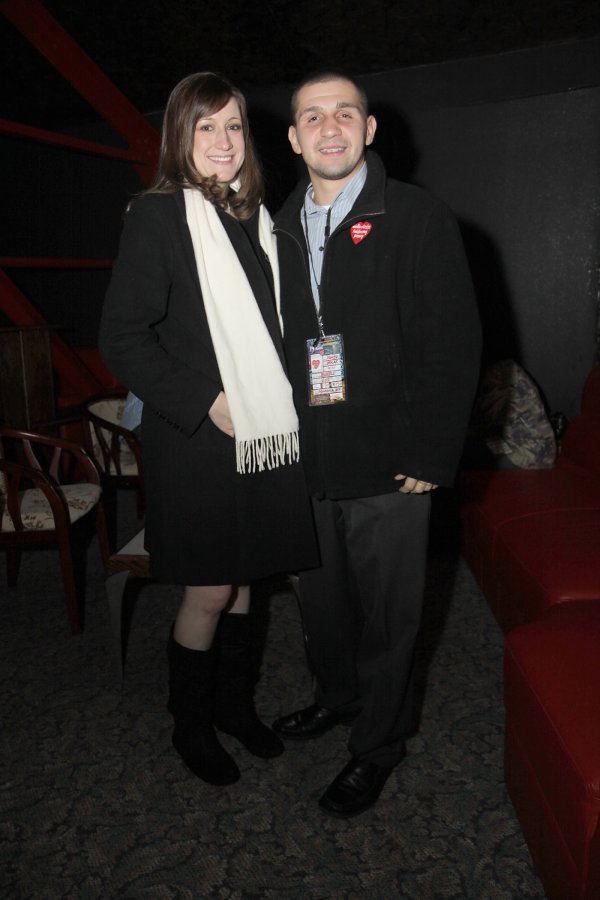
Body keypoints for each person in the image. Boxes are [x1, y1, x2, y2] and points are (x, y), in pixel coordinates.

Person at [99, 72, 318, 787]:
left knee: (247, 580)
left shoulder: (258, 219)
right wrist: (206, 400)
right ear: (180, 137)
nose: (223, 141)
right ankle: (189, 723)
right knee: (210, 591)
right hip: (197, 437)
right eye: (205, 126)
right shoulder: (159, 217)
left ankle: (235, 707)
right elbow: (122, 339)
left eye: (233, 126)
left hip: (262, 438)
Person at [272, 72, 482, 817]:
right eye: (312, 116)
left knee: (392, 619)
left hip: (394, 463)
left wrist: (432, 453)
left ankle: (378, 746)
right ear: (293, 138)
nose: (329, 127)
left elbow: (453, 343)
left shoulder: (418, 215)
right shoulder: (275, 227)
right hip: (308, 460)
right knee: (322, 608)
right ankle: (337, 698)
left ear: (368, 130)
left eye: (345, 113)